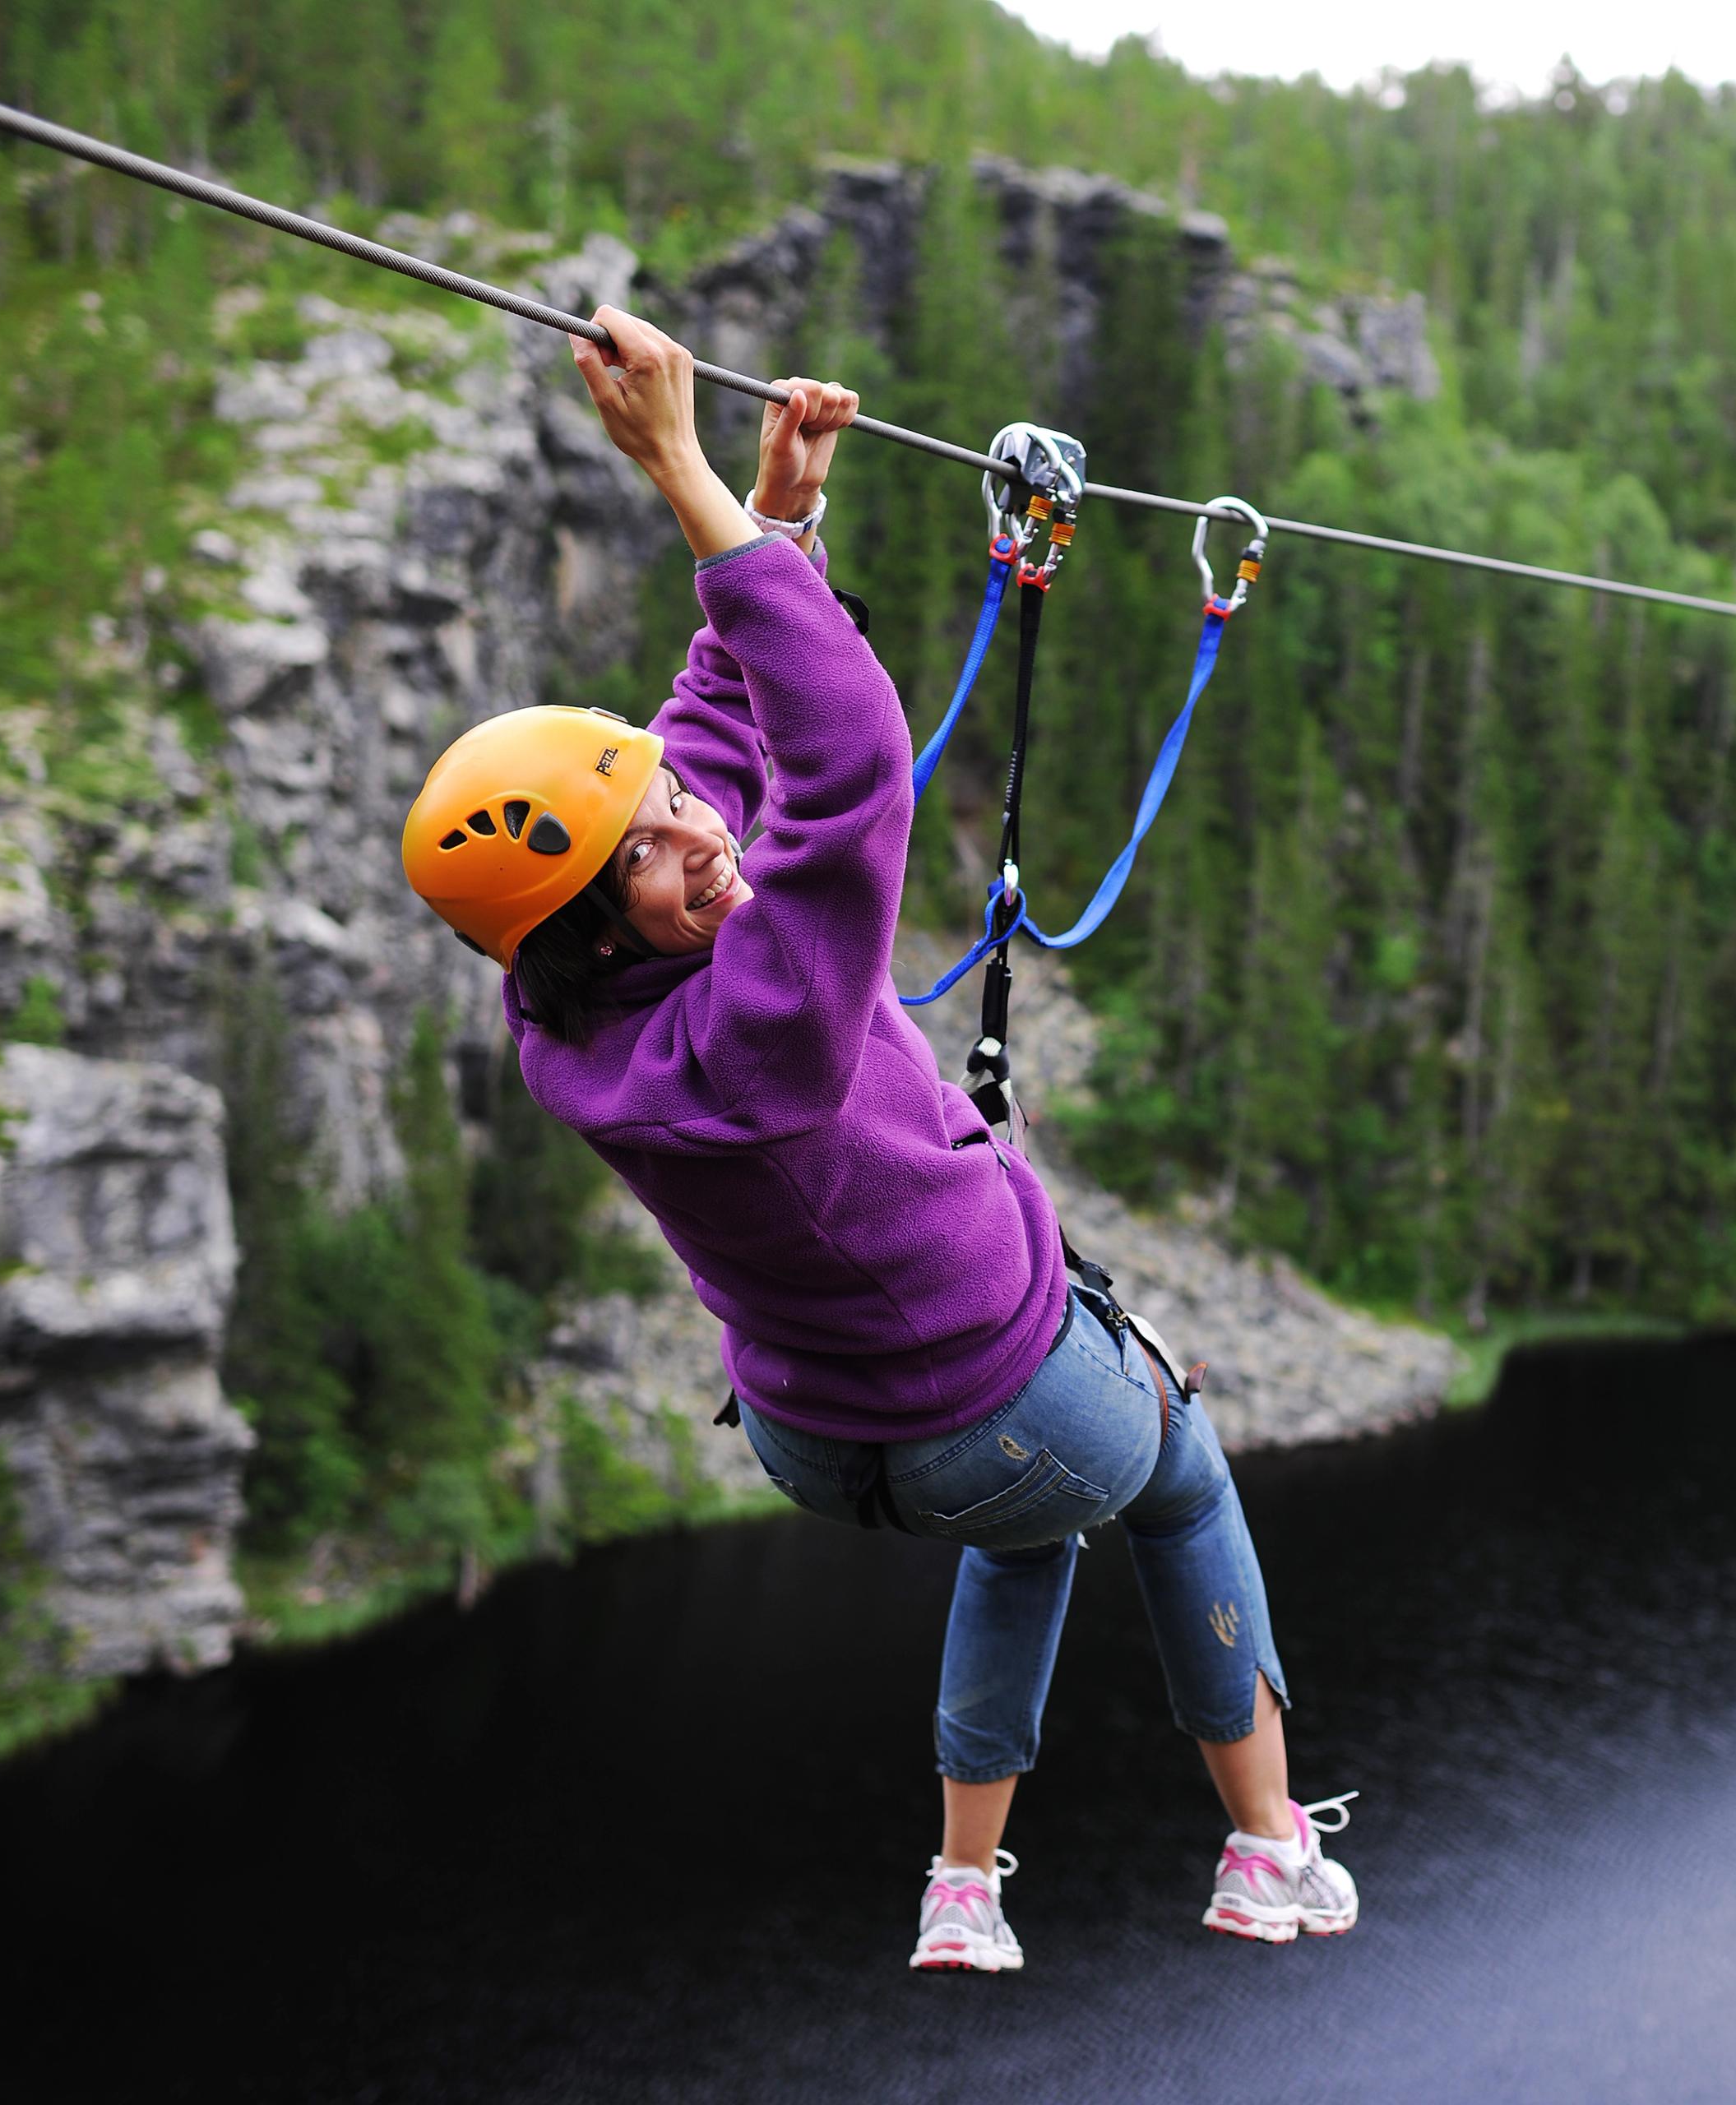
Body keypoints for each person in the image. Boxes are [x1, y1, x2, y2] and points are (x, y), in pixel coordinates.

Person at [397, 308, 1356, 1973]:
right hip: (990, 1402)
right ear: (591, 925)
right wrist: (682, 471)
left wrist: (778, 523)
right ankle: (1270, 1849)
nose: (699, 833)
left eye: (667, 801)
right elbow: (846, 775)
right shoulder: (757, 1012)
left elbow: (712, 730)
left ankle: (963, 1890)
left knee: (1028, 1524)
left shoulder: (570, 1020)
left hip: (814, 1428)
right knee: (1179, 1474)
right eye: (650, 850)